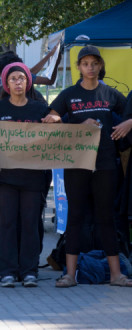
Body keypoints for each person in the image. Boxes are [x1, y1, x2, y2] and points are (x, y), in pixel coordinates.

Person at [42, 45, 132, 288]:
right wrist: (67, 120)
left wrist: (129, 123)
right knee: (75, 217)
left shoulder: (110, 94)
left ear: (100, 66)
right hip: (76, 164)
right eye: (85, 64)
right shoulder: (69, 95)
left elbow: (129, 113)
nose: (90, 68)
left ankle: (116, 275)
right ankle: (69, 275)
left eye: (94, 63)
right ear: (78, 67)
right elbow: (52, 119)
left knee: (106, 218)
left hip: (104, 163)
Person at [0, 62, 49, 288]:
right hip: (6, 178)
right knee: (7, 224)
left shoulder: (40, 109)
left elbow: (55, 134)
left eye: (21, 78)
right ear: (6, 84)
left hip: (34, 178)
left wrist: (55, 120)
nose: (18, 82)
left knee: (30, 224)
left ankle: (29, 271)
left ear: (28, 81)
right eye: (13, 79)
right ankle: (8, 271)